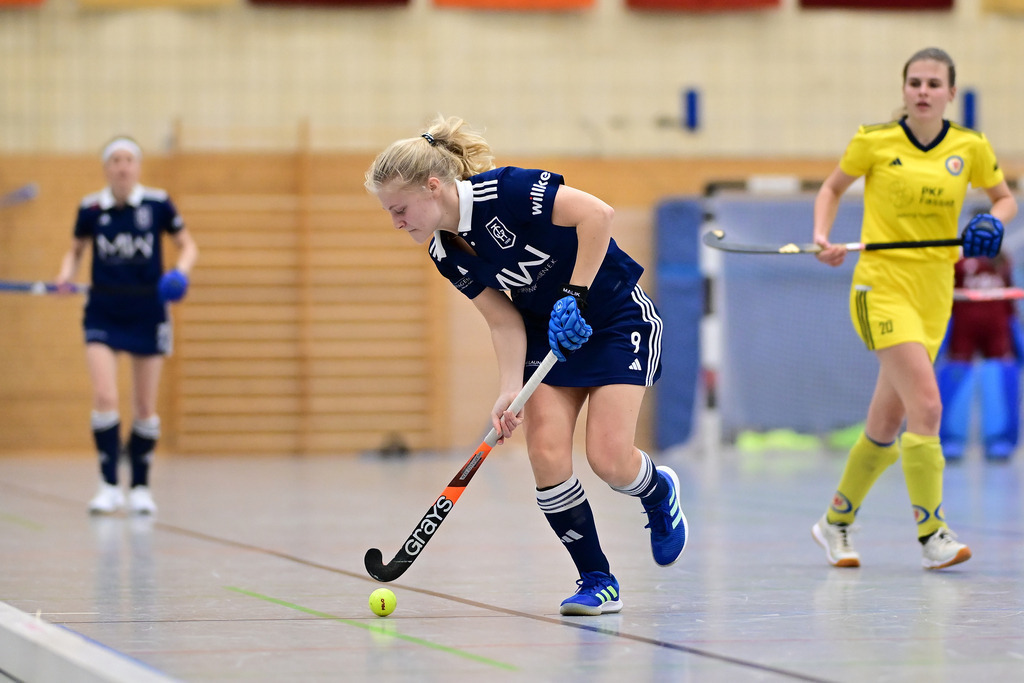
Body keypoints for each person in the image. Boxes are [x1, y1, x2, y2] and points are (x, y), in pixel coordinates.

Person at [365, 116, 687, 616]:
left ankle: (656, 488)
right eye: (390, 213)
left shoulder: (506, 191)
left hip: (613, 318)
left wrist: (576, 297)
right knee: (547, 454)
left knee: (608, 458)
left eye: (400, 209)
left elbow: (598, 215)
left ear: (433, 187)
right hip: (546, 334)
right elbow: (503, 321)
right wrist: (508, 388)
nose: (396, 222)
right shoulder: (443, 250)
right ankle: (597, 579)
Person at [810, 47, 1017, 570]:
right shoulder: (874, 141)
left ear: (951, 93)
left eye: (934, 83)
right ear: (904, 90)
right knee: (927, 405)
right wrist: (821, 237)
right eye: (915, 82)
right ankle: (932, 533)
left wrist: (994, 219)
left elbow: (1004, 198)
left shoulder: (970, 147)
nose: (923, 91)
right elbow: (832, 188)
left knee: (886, 423)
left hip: (934, 296)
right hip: (880, 290)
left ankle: (835, 522)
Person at [55, 136, 198, 516]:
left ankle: (139, 487)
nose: (122, 166)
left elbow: (188, 245)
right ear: (106, 167)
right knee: (104, 396)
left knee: (144, 406)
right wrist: (64, 276)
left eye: (128, 159)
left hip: (147, 311)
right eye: (115, 160)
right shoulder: (91, 207)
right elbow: (75, 250)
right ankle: (107, 485)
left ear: (137, 166)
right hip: (102, 310)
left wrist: (179, 274)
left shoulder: (157, 203)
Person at [937, 253, 1021, 460]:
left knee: (998, 377)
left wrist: (1015, 333)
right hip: (963, 329)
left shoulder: (1003, 261)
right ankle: (951, 439)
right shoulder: (958, 260)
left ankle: (999, 439)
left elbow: (1011, 304)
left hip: (997, 329)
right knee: (956, 375)